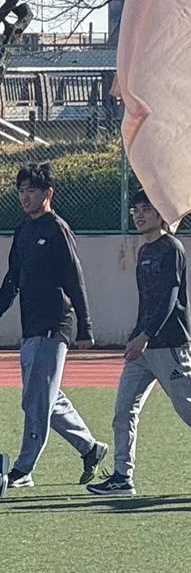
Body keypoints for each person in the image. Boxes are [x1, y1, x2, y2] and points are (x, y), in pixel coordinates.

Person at [86, 192, 191, 498]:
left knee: (190, 410)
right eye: (135, 209)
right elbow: (146, 301)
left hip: (170, 346)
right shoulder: (144, 251)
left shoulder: (171, 249)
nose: (139, 215)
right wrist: (136, 334)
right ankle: (123, 477)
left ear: (161, 213)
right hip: (143, 350)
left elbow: (168, 298)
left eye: (146, 209)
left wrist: (145, 335)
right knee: (123, 411)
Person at [0, 163, 105, 492]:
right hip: (31, 327)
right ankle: (90, 449)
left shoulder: (57, 228)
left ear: (48, 194)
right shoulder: (23, 231)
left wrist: (85, 326)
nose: (25, 196)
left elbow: (75, 278)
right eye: (21, 190)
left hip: (54, 325)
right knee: (47, 398)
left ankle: (24, 468)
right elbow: (12, 280)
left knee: (35, 400)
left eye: (31, 190)